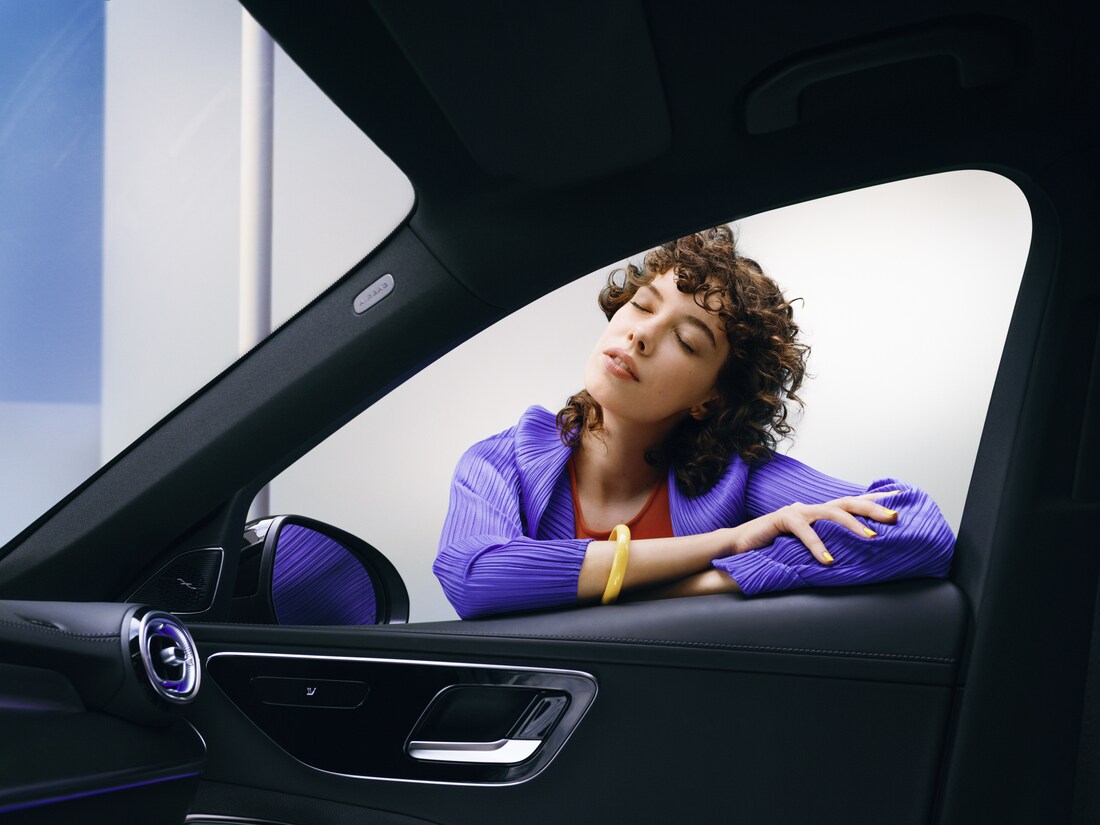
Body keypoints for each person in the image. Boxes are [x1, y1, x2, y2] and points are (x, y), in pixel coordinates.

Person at [435, 226, 955, 619]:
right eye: (642, 306)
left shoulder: (736, 479)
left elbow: (918, 532)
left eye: (686, 341)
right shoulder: (502, 461)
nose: (641, 336)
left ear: (710, 399)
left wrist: (702, 586)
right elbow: (476, 578)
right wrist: (726, 544)